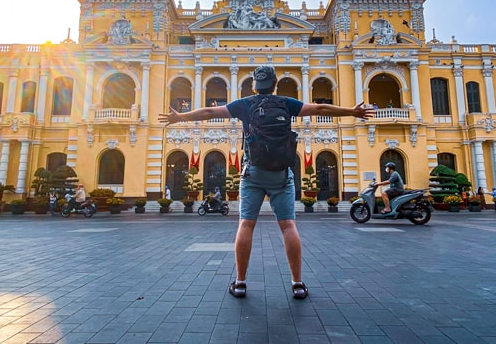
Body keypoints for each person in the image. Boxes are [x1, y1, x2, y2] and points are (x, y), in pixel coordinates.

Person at [159, 65, 374, 300]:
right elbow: (319, 107)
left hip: (253, 173)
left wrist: (180, 117)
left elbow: (209, 113)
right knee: (288, 226)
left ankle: (240, 283)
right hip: (281, 174)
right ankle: (297, 284)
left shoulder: (246, 104)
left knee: (246, 225)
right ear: (275, 84)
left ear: (254, 85)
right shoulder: (285, 103)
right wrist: (352, 112)